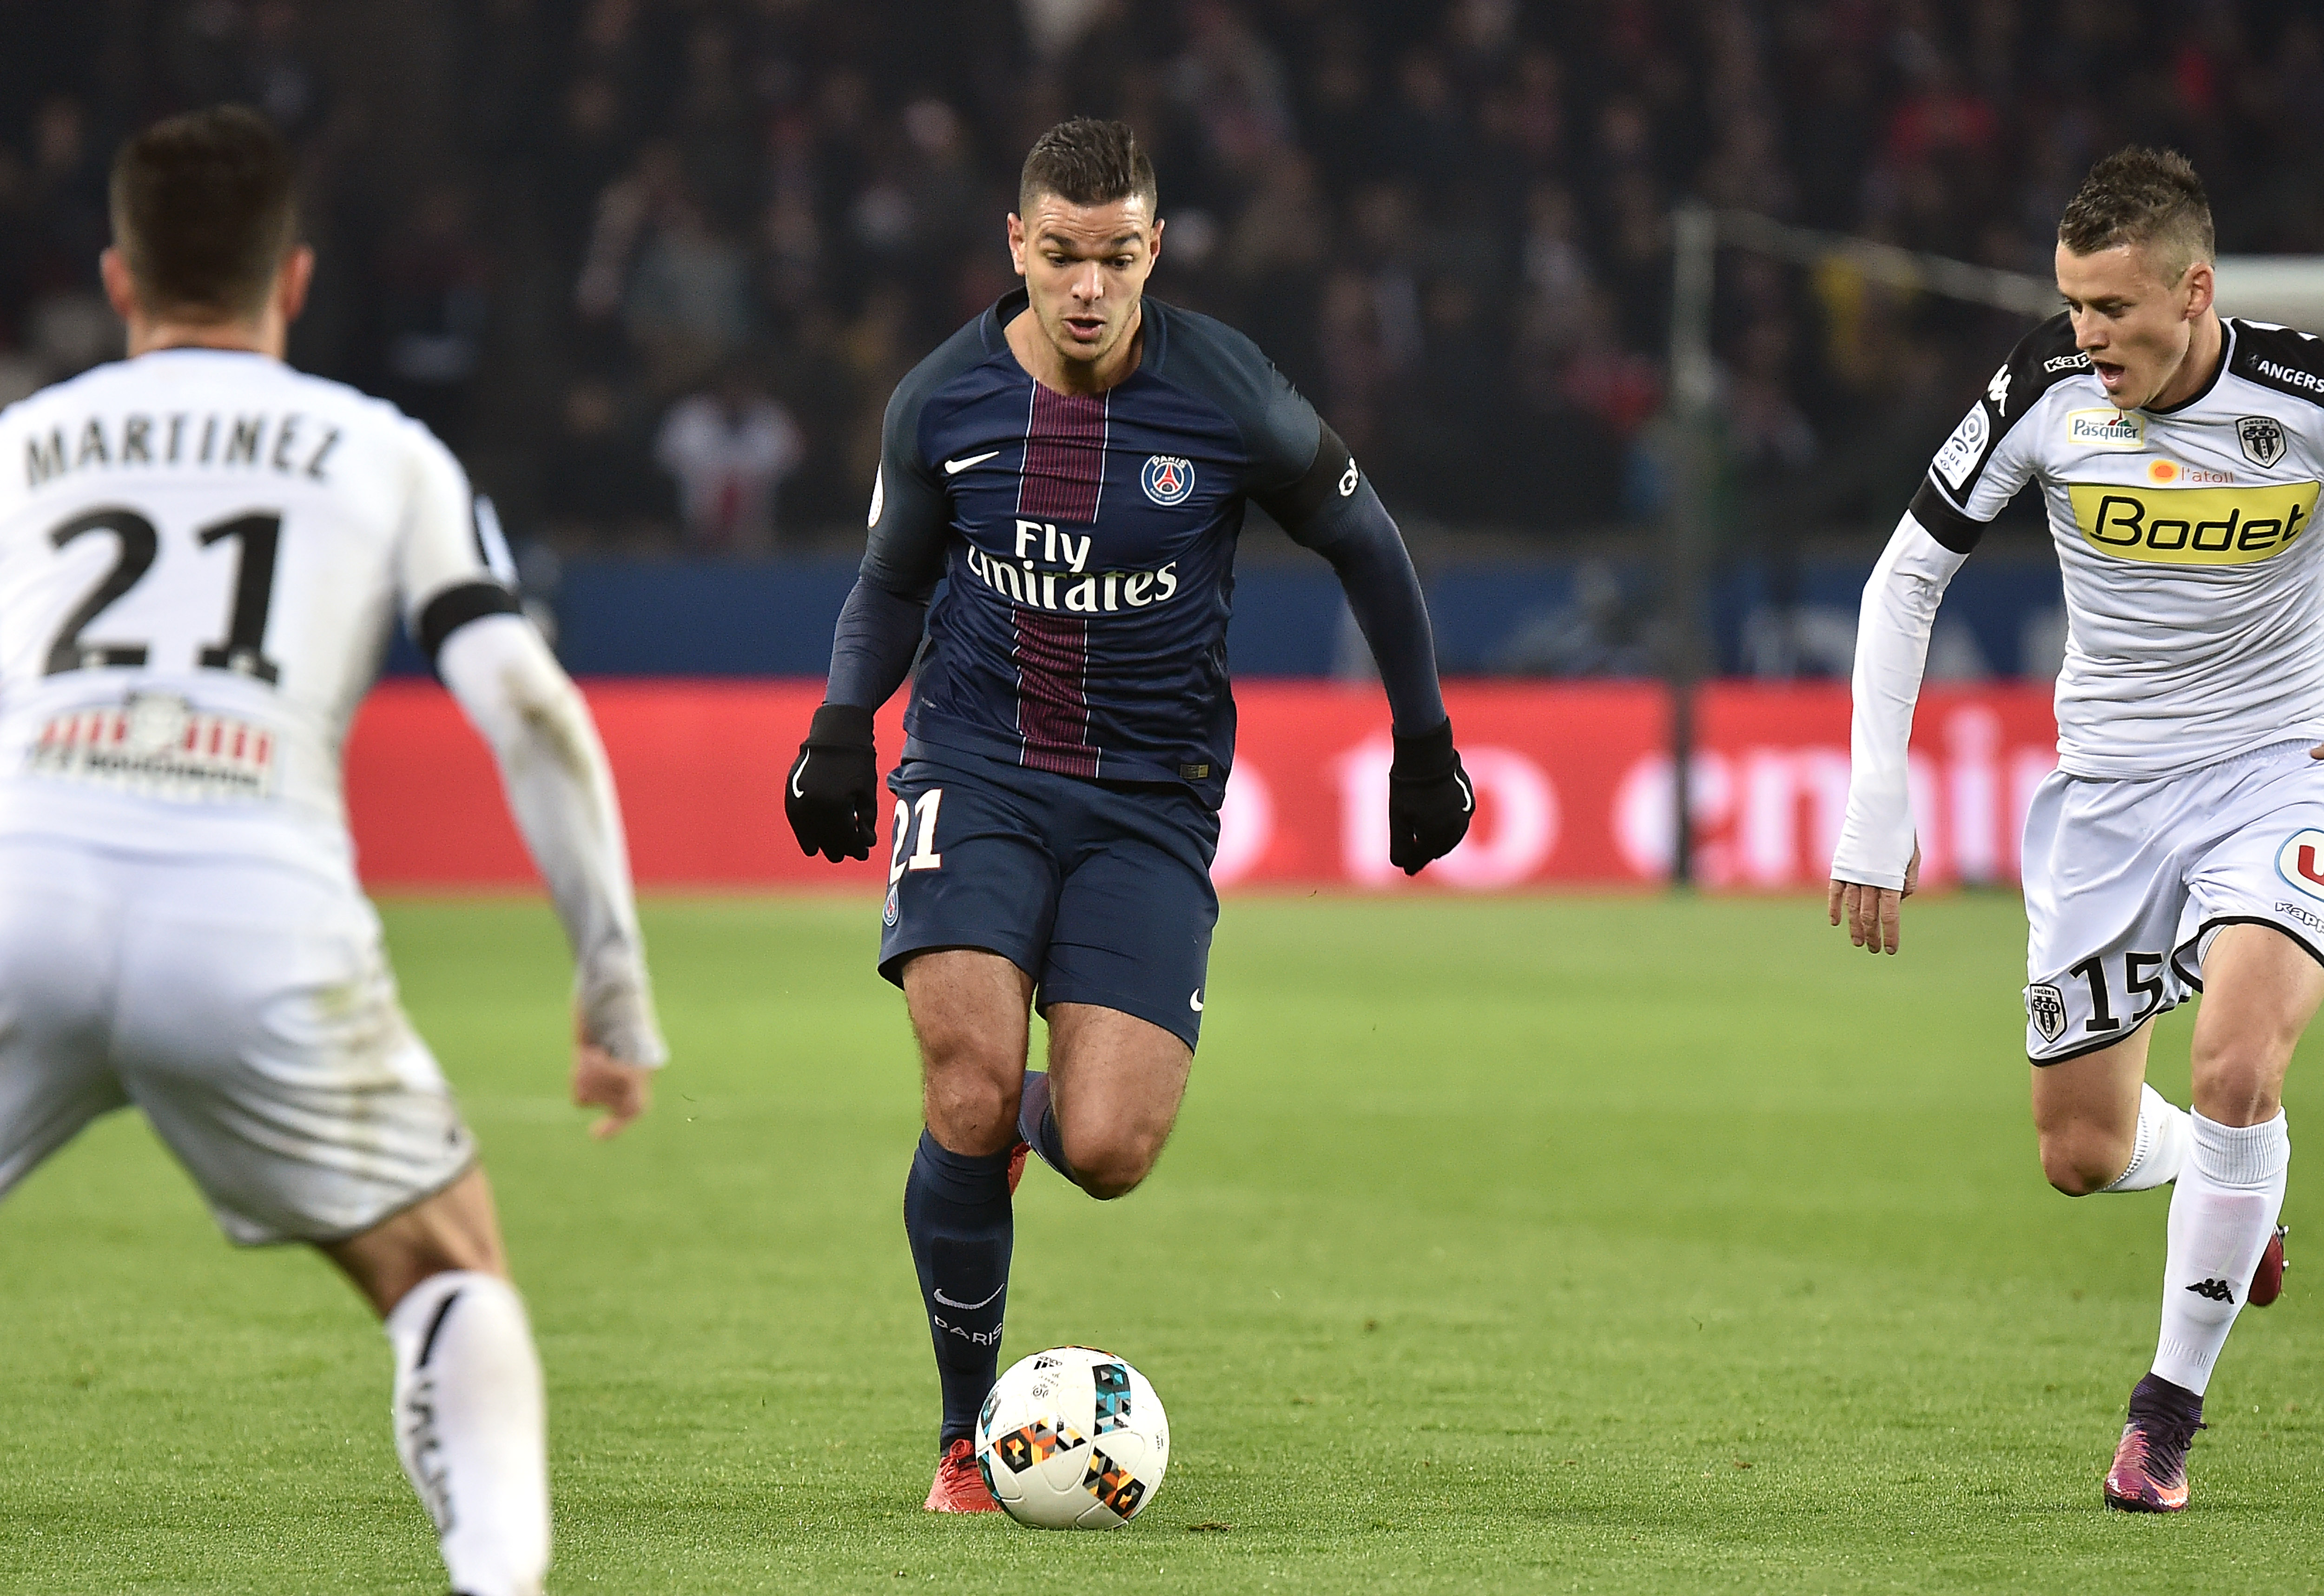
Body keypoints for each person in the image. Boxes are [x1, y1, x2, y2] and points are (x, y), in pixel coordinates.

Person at [0, 108, 667, 1595]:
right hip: (254, 912)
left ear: (118, 280)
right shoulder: (384, 454)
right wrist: (613, 991)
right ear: (294, 280)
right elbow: (531, 709)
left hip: (22, 889)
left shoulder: (23, 450)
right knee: (445, 1267)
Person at [784, 118, 1472, 1512]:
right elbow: (894, 578)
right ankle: (962, 1437)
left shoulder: (1230, 394)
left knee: (1105, 1149)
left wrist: (1424, 742)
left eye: (1114, 256)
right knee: (966, 1078)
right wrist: (843, 721)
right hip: (975, 765)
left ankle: (1005, 1137)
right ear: (1018, 246)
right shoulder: (942, 402)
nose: (1087, 287)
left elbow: (1366, 539)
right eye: (1060, 255)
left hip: (1151, 802)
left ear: (1155, 249)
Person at [1830, 147, 2309, 1514]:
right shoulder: (2044, 388)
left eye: (2112, 307)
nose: (2086, 334)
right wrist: (1876, 801)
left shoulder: (2301, 398)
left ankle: (2164, 1421)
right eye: (2074, 304)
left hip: (2284, 770)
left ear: (2194, 292)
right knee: (2080, 1153)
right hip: (2110, 795)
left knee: (2236, 1064)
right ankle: (2237, 1194)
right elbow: (1906, 577)